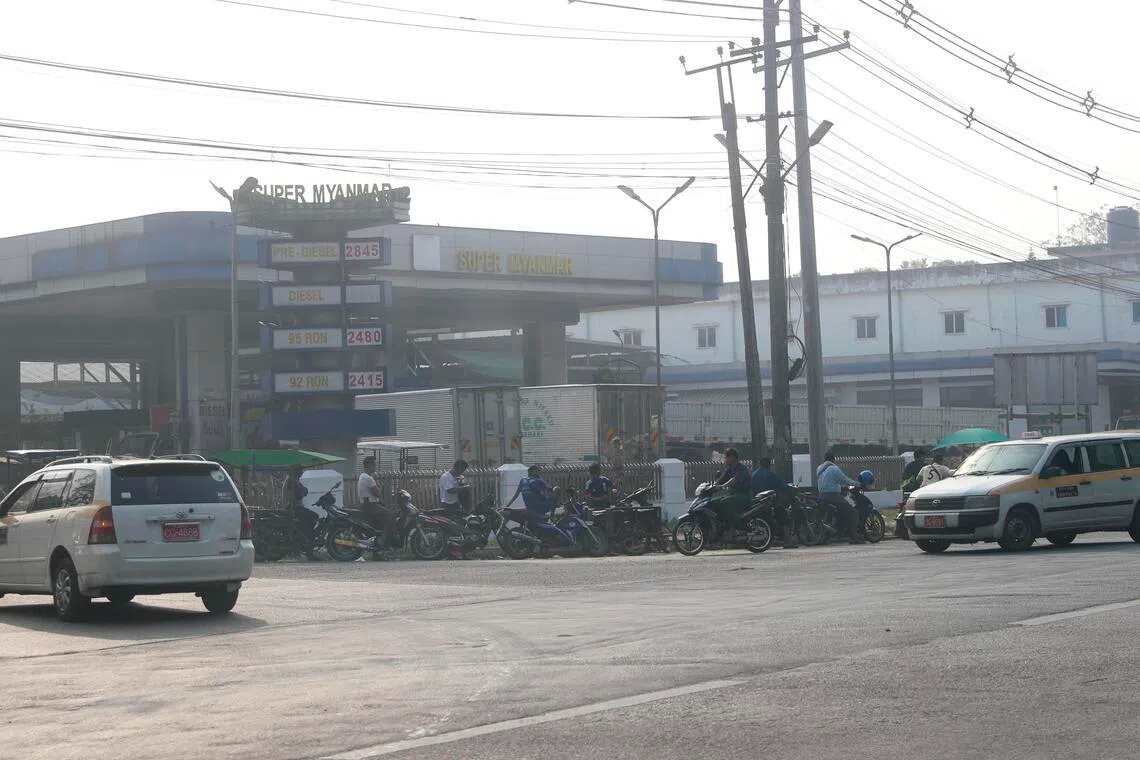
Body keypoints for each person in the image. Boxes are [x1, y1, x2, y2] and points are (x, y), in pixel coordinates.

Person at [816, 449, 863, 544]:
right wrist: (858, 484)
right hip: (832, 496)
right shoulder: (834, 469)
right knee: (853, 512)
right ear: (834, 459)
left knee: (841, 512)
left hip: (821, 496)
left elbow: (829, 481)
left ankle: (838, 534)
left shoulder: (819, 468)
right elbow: (845, 480)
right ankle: (854, 537)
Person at [752, 456, 797, 548]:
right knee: (784, 517)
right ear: (769, 465)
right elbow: (782, 486)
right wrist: (792, 490)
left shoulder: (754, 474)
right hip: (770, 502)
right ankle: (787, 540)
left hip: (755, 503)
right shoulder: (771, 475)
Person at [357, 456, 394, 554]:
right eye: (374, 464)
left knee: (385, 512)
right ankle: (384, 540)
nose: (375, 466)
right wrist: (379, 489)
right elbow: (377, 493)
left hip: (367, 504)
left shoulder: (362, 476)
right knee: (391, 515)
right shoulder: (368, 478)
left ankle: (379, 538)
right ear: (369, 465)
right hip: (370, 505)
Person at [711, 447, 753, 524]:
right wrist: (713, 486)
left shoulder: (742, 468)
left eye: (726, 457)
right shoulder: (729, 469)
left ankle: (735, 525)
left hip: (744, 495)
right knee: (713, 502)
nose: (725, 460)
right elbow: (721, 479)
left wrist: (723, 486)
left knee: (725, 502)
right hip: (733, 495)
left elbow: (734, 479)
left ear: (732, 457)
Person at [284, 465, 317, 561]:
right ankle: (307, 546)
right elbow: (300, 493)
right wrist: (303, 491)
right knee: (313, 518)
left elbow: (304, 491)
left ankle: (306, 543)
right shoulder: (291, 481)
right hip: (293, 508)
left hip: (296, 507)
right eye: (300, 470)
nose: (302, 472)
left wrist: (303, 491)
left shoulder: (294, 481)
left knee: (312, 518)